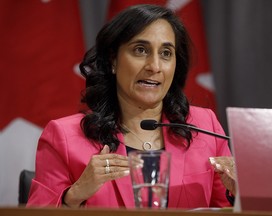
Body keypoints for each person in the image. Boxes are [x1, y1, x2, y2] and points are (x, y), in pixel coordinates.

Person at [27, 4, 235, 209]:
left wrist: (238, 194)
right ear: (113, 60)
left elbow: (225, 207)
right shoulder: (64, 137)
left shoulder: (205, 127)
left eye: (165, 53)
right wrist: (74, 195)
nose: (154, 66)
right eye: (140, 50)